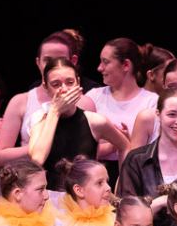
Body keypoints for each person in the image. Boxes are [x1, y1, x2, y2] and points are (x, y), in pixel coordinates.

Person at [22, 58, 131, 192]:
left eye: (70, 82)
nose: (64, 89)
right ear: (46, 87)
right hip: (50, 200)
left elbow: (125, 146)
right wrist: (55, 111)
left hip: (87, 199)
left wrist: (123, 190)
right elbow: (37, 159)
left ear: (78, 83)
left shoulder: (94, 121)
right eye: (56, 84)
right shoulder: (39, 120)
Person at [118, 88, 177, 225]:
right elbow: (125, 214)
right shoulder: (136, 160)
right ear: (158, 114)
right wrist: (159, 203)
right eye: (172, 114)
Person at [86, 37, 158, 165]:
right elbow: (80, 149)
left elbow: (153, 151)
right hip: (95, 170)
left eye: (105, 62)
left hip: (135, 170)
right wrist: (117, 143)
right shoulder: (93, 97)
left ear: (126, 65)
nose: (99, 68)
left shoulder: (151, 102)